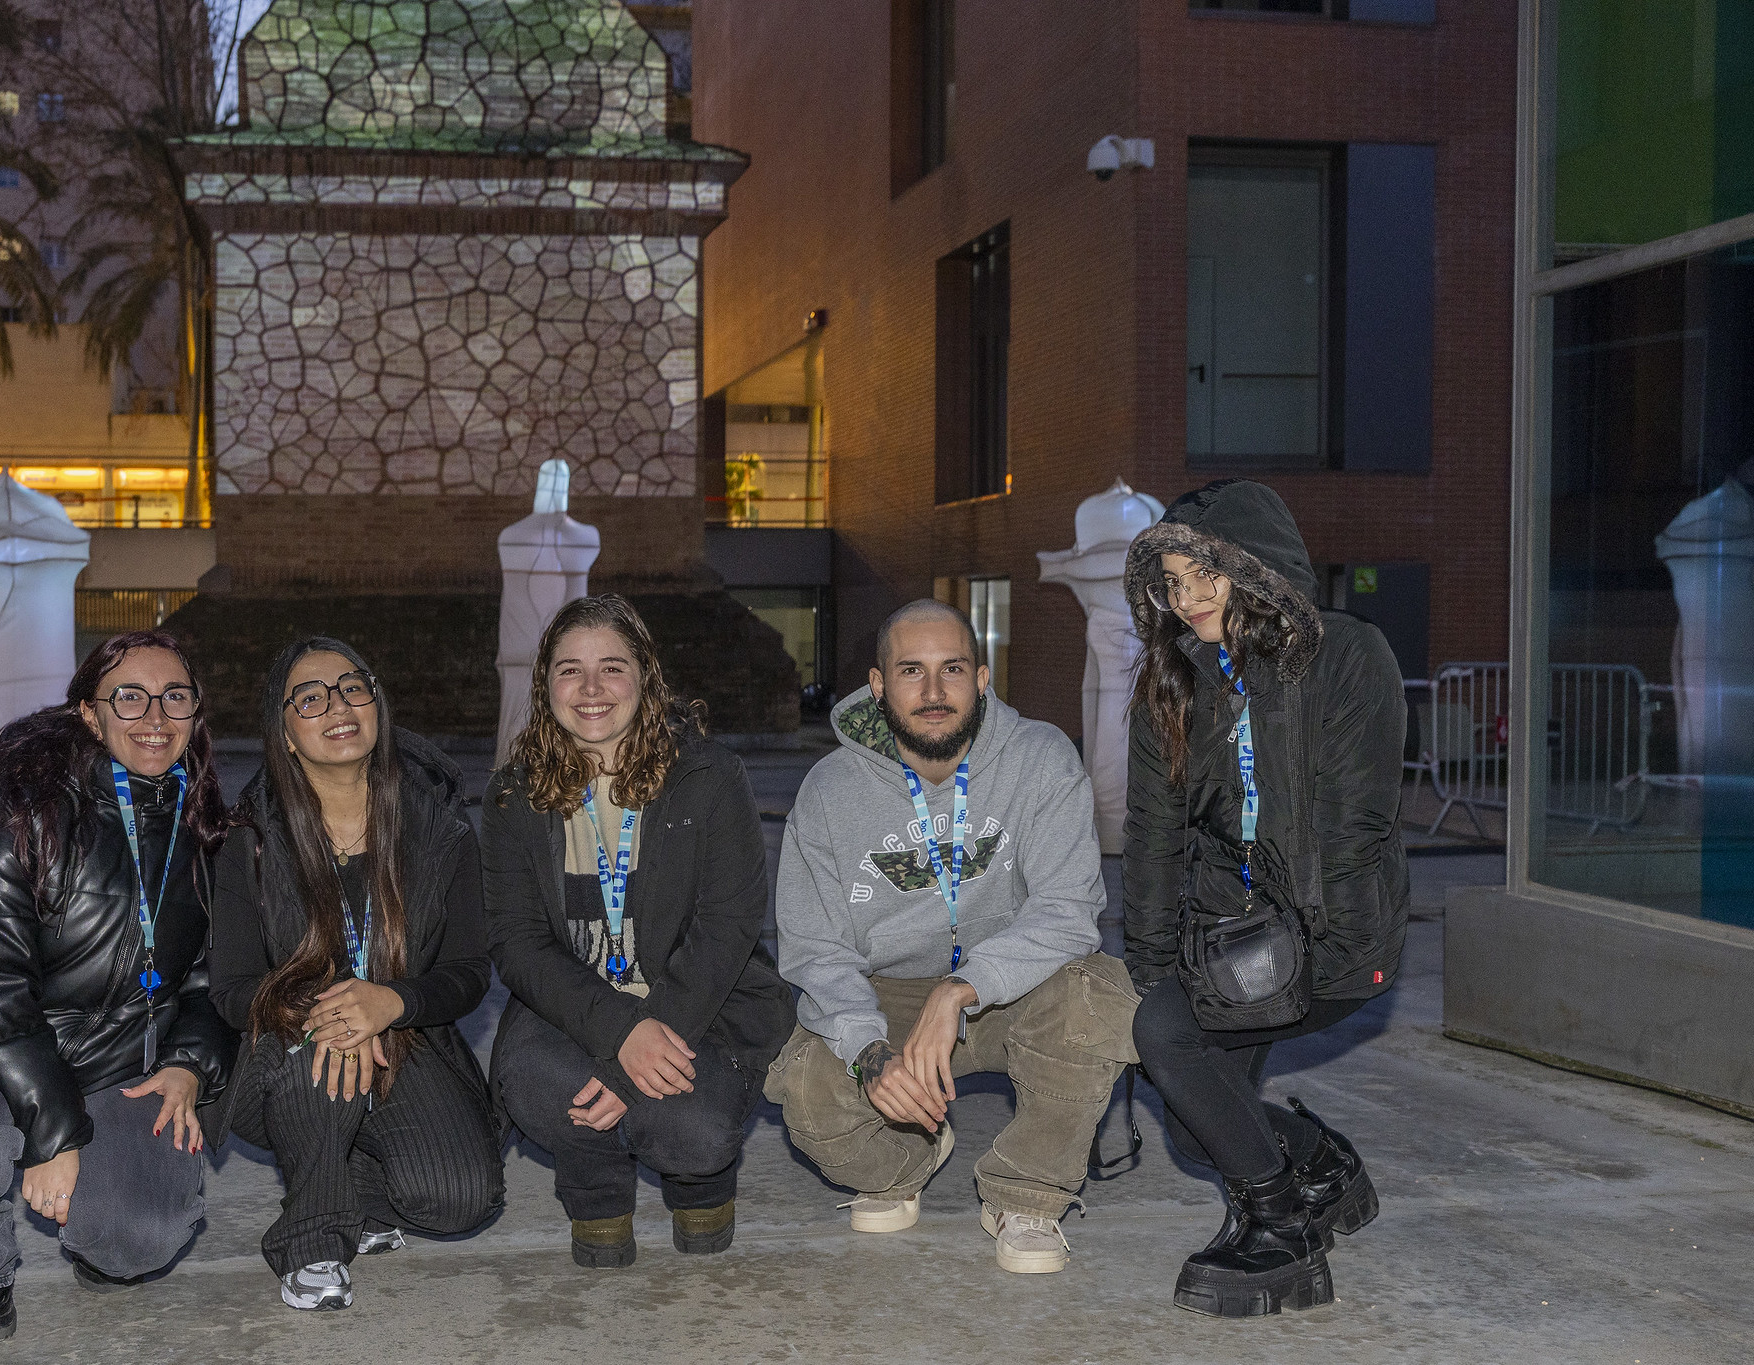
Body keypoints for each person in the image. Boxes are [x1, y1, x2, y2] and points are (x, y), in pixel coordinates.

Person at [0, 630, 235, 1344]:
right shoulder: (23, 810)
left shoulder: (211, 831)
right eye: (128, 697)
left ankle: (106, 1243)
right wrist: (52, 1128)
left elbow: (216, 980)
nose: (154, 716)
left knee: (143, 1236)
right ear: (89, 715)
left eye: (175, 697)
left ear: (196, 714)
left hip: (120, 1058)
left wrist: (191, 1063)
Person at [768, 599, 1138, 1274]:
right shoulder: (829, 791)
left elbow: (1069, 908)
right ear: (878, 685)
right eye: (911, 670)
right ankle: (908, 1155)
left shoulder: (1041, 759)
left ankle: (1026, 1192)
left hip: (1011, 989)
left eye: (953, 669)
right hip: (884, 995)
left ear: (984, 678)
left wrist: (961, 989)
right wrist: (868, 1051)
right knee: (810, 1094)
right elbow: (815, 948)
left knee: (1096, 995)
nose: (934, 691)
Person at [1121, 478, 1408, 1318]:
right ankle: (1320, 1165)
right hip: (1231, 939)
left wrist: (1308, 954)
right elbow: (1152, 834)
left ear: (1259, 567)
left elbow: (1355, 825)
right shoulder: (1170, 684)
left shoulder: (1349, 656)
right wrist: (1150, 963)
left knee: (1170, 1038)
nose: (1189, 597)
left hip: (1336, 940)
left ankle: (1284, 1228)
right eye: (1172, 581)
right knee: (1194, 1113)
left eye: (1206, 572)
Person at [483, 594, 794, 1268]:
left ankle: (701, 1181)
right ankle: (597, 1193)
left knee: (697, 1131)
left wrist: (649, 1038)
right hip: (578, 1006)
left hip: (697, 1007)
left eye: (612, 668)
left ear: (646, 679)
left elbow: (728, 926)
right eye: (570, 669)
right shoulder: (514, 793)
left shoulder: (709, 779)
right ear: (545, 686)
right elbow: (517, 941)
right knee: (535, 1075)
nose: (591, 689)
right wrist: (620, 1035)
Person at [208, 638, 504, 1310]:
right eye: (309, 697)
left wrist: (392, 1002)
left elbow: (468, 971)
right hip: (283, 1053)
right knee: (323, 1054)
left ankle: (348, 1181)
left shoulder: (441, 826)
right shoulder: (251, 838)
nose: (338, 705)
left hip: (404, 1035)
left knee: (463, 1199)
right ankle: (312, 1241)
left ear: (377, 704)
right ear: (284, 733)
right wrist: (334, 1010)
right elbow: (228, 987)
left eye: (353, 686)